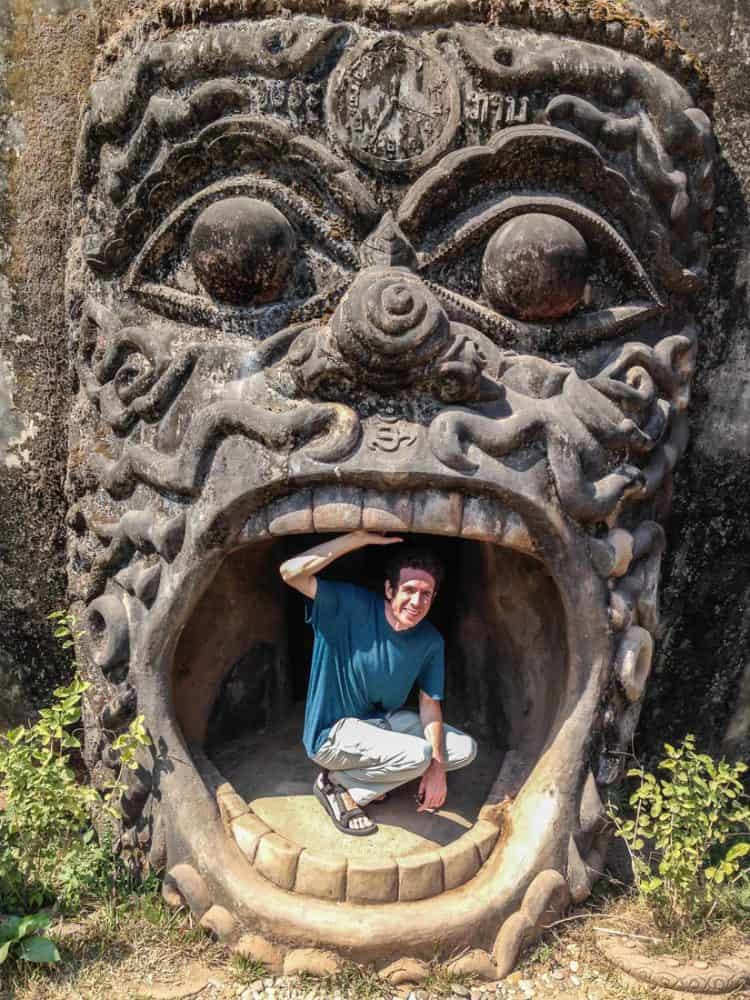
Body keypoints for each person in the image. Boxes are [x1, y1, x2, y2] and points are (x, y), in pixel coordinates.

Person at [279, 529, 477, 836]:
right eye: (409, 589)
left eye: (426, 594)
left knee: (463, 749)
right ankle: (340, 786)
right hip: (332, 735)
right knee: (418, 755)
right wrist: (357, 539)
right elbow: (289, 572)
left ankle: (370, 777)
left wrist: (437, 770)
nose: (417, 601)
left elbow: (429, 705)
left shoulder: (430, 641)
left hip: (381, 724)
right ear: (389, 589)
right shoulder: (348, 605)